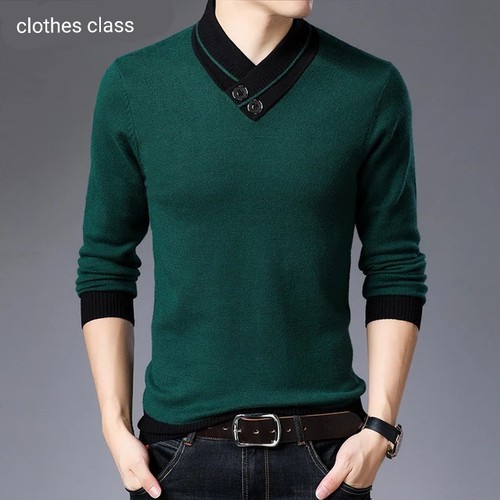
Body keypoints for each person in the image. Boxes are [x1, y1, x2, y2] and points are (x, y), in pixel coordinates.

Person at [75, 0, 428, 498]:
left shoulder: (370, 88)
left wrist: (380, 428)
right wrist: (114, 428)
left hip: (326, 459)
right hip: (176, 460)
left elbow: (395, 265)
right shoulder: (135, 86)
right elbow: (105, 265)